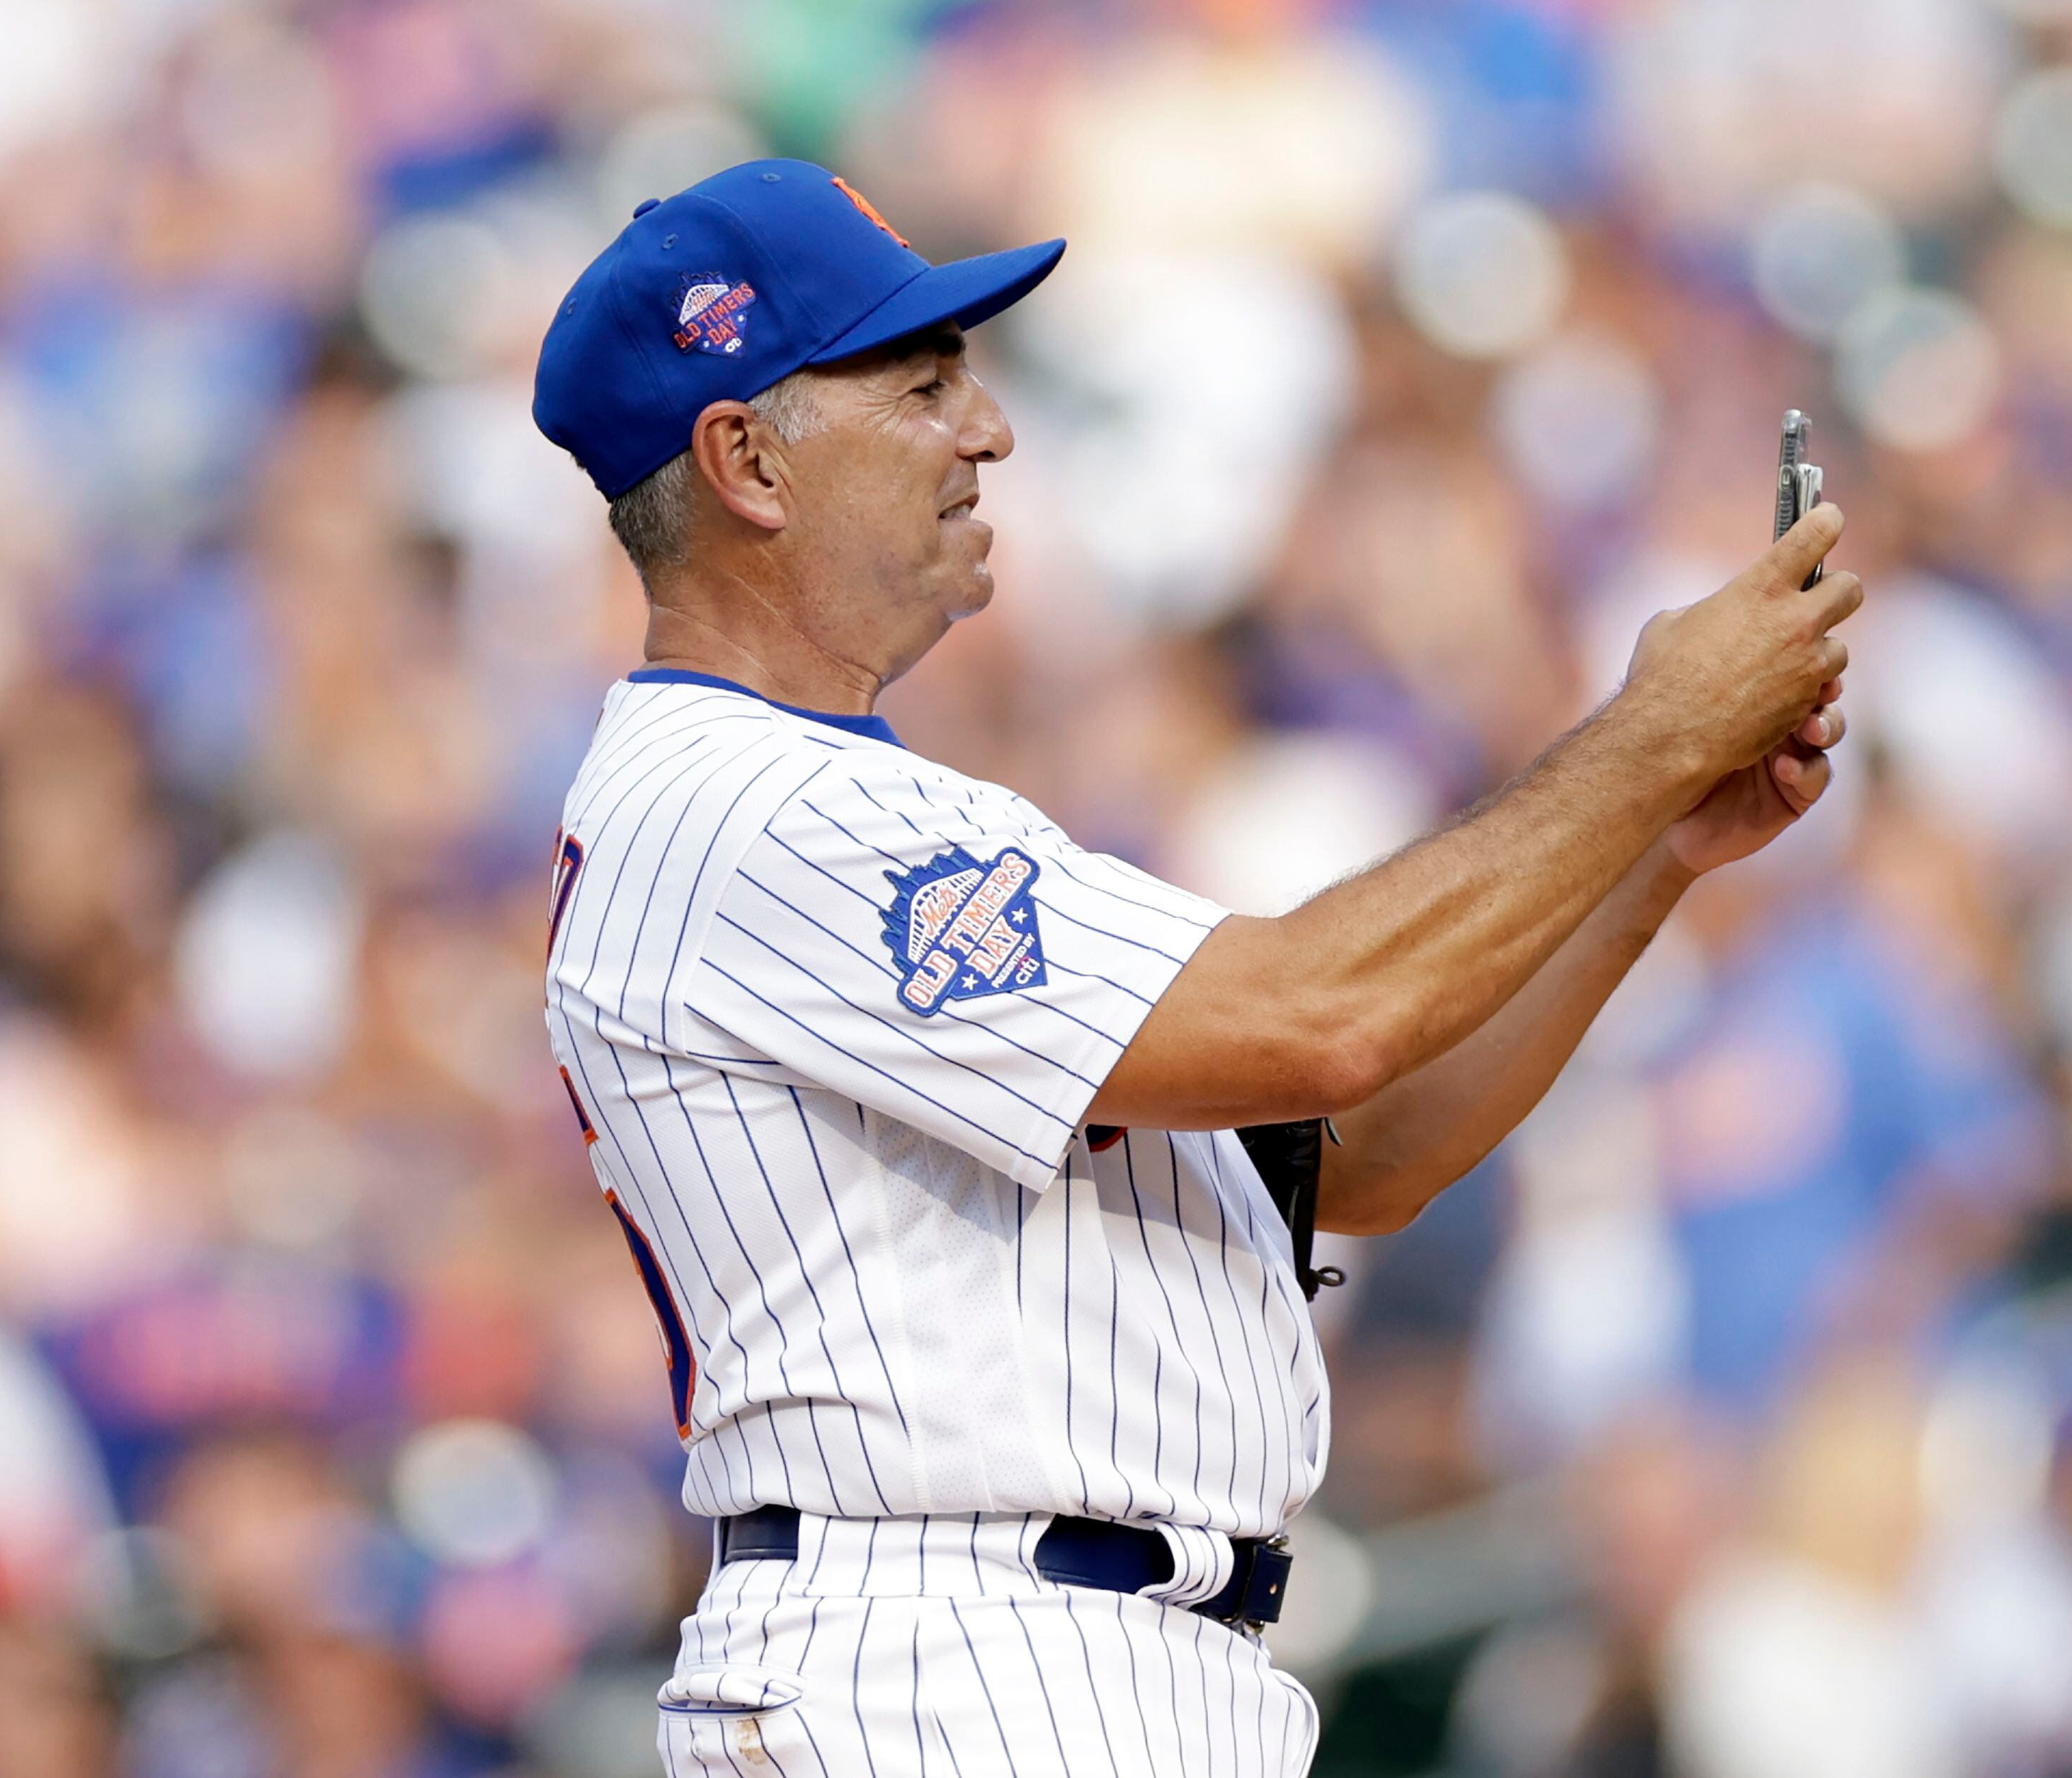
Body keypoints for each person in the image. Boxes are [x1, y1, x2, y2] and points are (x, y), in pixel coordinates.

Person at [530, 159, 1857, 1778]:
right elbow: (1322, 1018)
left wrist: (1657, 840)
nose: (988, 430)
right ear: (744, 456)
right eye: (922, 381)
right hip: (952, 1664)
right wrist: (1643, 730)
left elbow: (1359, 1151)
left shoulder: (838, 797)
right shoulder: (749, 804)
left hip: (1065, 1658)